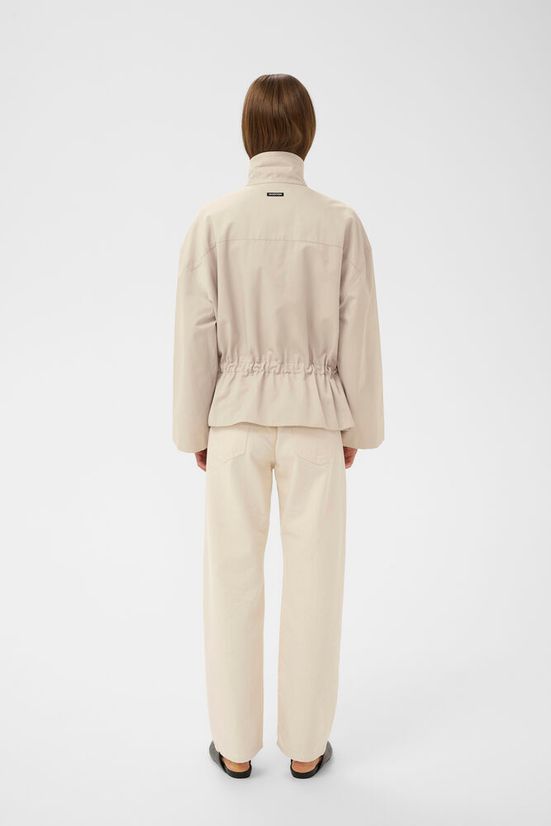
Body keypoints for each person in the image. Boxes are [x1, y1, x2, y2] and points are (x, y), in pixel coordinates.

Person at [172, 73, 384, 779]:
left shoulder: (213, 222)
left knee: (231, 581)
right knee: (315, 581)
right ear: (306, 134)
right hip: (316, 422)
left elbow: (195, 336)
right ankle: (305, 747)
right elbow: (359, 334)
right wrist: (356, 428)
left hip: (233, 420)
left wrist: (194, 430)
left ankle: (235, 747)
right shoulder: (340, 223)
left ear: (248, 133)